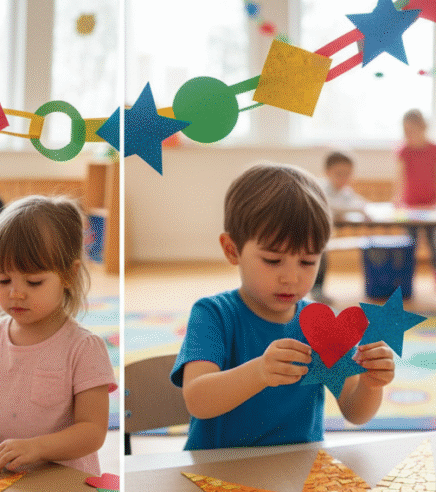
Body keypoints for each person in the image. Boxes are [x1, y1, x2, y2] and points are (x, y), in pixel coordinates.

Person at [170, 163, 396, 450]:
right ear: (232, 250)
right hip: (219, 474)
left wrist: (370, 384)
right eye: (272, 261)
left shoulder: (320, 324)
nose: (291, 277)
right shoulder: (213, 314)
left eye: (307, 262)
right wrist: (260, 372)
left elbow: (355, 411)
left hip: (297, 475)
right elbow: (197, 400)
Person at [0, 195, 116, 474]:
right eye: (3, 280)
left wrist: (37, 448)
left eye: (33, 281)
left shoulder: (84, 348)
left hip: (60, 485)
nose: (15, 293)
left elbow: (92, 431)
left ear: (68, 275)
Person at [395, 109, 436, 292]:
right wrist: (397, 198)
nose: (408, 134)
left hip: (431, 205)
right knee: (410, 244)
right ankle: (407, 279)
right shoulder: (404, 151)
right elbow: (400, 176)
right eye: (405, 131)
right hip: (410, 205)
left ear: (422, 127)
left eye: (411, 130)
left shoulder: (435, 150)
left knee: (434, 243)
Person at [311, 150, 366, 305]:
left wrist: (362, 209)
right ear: (328, 172)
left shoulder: (345, 191)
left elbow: (359, 202)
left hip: (324, 235)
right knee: (317, 260)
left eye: (348, 174)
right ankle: (316, 290)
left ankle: (318, 290)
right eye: (339, 174)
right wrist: (355, 210)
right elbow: (331, 205)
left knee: (322, 259)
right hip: (310, 232)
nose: (344, 178)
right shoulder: (321, 187)